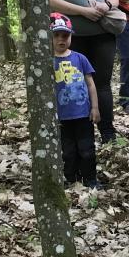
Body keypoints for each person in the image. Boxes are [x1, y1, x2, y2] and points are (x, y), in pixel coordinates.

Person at [47, 0, 120, 142]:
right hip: (71, 37)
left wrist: (105, 6)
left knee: (102, 83)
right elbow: (51, 0)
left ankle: (107, 132)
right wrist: (83, 11)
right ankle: (80, 133)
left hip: (103, 34)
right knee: (74, 83)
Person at [50, 13, 101, 189]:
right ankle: (72, 180)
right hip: (61, 117)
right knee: (68, 151)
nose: (61, 39)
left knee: (87, 149)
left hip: (83, 114)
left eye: (65, 35)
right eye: (56, 35)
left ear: (71, 36)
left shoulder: (80, 58)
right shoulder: (47, 62)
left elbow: (91, 84)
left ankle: (90, 179)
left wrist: (95, 107)